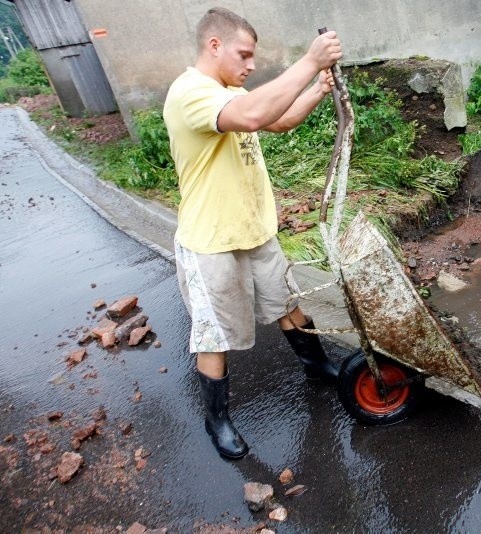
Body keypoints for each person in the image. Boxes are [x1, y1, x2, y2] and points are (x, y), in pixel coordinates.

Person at [163, 7, 343, 460]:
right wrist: (309, 62)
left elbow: (275, 119)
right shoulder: (191, 93)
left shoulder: (228, 90)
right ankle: (217, 419)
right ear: (214, 45)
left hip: (253, 230)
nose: (250, 65)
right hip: (211, 241)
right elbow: (248, 116)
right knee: (213, 333)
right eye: (244, 55)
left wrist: (318, 89)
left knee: (286, 303)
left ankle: (318, 365)